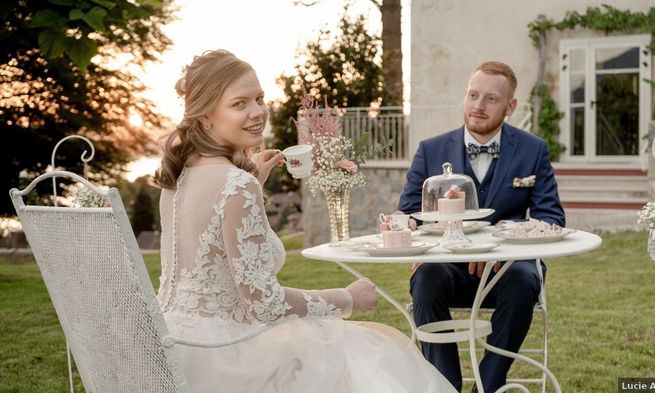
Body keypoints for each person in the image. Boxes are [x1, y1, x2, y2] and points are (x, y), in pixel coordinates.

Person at [153, 49, 456, 393]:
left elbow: (210, 251)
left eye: (259, 98)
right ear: (206, 116)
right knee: (373, 354)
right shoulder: (237, 185)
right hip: (228, 358)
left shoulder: (177, 180)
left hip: (177, 347)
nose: (257, 112)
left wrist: (253, 180)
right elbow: (265, 304)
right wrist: (347, 298)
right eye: (239, 104)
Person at [397, 61, 565, 393]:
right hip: (449, 267)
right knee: (425, 278)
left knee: (525, 277)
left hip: (507, 272)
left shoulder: (533, 150)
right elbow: (409, 214)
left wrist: (497, 245)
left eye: (490, 98)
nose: (478, 105)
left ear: (510, 106)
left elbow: (551, 218)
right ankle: (444, 385)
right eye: (473, 95)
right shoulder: (431, 150)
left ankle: (488, 385)